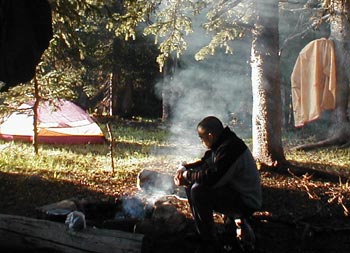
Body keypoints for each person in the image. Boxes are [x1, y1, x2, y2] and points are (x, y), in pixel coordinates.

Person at [174, 116, 262, 252]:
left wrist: (188, 176)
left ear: (210, 135)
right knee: (192, 185)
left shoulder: (231, 148)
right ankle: (202, 233)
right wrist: (186, 169)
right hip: (234, 192)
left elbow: (213, 178)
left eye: (201, 138)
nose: (201, 141)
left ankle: (210, 242)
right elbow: (205, 163)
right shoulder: (222, 143)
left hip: (246, 202)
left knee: (198, 190)